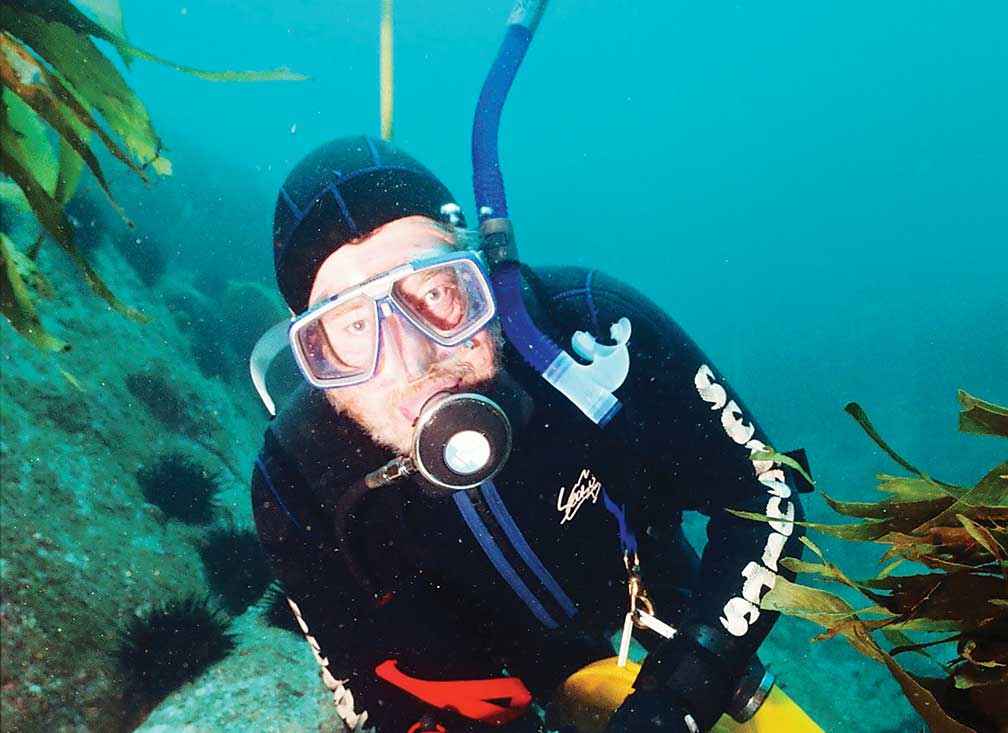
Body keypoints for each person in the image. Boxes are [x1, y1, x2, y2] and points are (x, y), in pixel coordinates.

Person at [251, 135, 810, 733]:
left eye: (436, 292)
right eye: (353, 325)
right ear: (314, 356)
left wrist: (687, 686)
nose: (412, 361)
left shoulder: (593, 325)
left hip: (650, 592)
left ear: (484, 273)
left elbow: (763, 492)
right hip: (478, 669)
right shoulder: (294, 477)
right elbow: (366, 690)